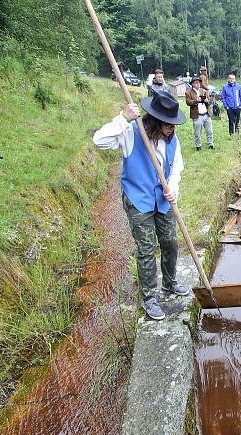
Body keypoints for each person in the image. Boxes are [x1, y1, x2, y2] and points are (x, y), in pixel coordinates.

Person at [92, 91, 190, 320]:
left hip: (162, 199)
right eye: (167, 124)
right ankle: (149, 298)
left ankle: (169, 282)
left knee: (170, 242)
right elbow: (99, 141)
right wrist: (122, 118)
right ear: (154, 119)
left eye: (174, 124)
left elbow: (176, 168)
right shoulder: (131, 133)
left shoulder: (172, 140)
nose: (171, 129)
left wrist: (173, 187)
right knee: (146, 249)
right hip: (138, 199)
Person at [185, 76, 213, 151]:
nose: (198, 83)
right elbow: (188, 102)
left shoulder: (203, 91)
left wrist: (208, 101)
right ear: (192, 84)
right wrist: (196, 101)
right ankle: (198, 146)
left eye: (198, 82)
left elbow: (210, 101)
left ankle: (210, 144)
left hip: (206, 114)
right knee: (197, 132)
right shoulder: (188, 93)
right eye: (196, 82)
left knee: (209, 131)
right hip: (197, 115)